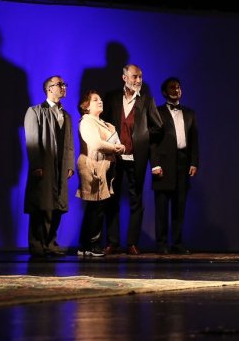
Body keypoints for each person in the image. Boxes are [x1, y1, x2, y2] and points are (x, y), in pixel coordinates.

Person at [103, 64, 163, 255]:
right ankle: (113, 241)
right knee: (111, 198)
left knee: (136, 200)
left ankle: (132, 243)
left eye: (140, 77)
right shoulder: (112, 97)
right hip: (114, 157)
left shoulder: (146, 100)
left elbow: (158, 127)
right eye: (134, 76)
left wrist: (142, 137)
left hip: (136, 157)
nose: (138, 80)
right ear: (124, 78)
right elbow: (102, 123)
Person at [23, 75, 75, 258]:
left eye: (64, 84)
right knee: (41, 204)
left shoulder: (66, 116)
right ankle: (37, 244)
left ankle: (51, 243)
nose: (63, 87)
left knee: (58, 205)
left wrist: (70, 164)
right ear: (49, 88)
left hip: (61, 165)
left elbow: (69, 143)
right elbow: (32, 142)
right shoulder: (35, 111)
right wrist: (36, 165)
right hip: (44, 165)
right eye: (60, 84)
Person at [150, 77, 200, 254]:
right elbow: (152, 141)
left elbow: (194, 140)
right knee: (162, 207)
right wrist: (155, 164)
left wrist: (194, 162)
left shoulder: (189, 113)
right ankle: (162, 244)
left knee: (179, 206)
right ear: (164, 92)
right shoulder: (157, 112)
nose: (176, 90)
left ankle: (177, 243)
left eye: (178, 87)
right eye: (172, 88)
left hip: (183, 163)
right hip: (163, 164)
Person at [75, 90, 126, 258]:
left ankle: (86, 245)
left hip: (105, 167)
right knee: (95, 206)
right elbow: (96, 144)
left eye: (100, 99)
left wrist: (119, 147)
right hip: (92, 166)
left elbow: (117, 142)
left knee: (97, 207)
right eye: (95, 100)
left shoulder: (106, 124)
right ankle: (91, 244)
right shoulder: (86, 121)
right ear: (86, 106)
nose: (100, 101)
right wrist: (115, 148)